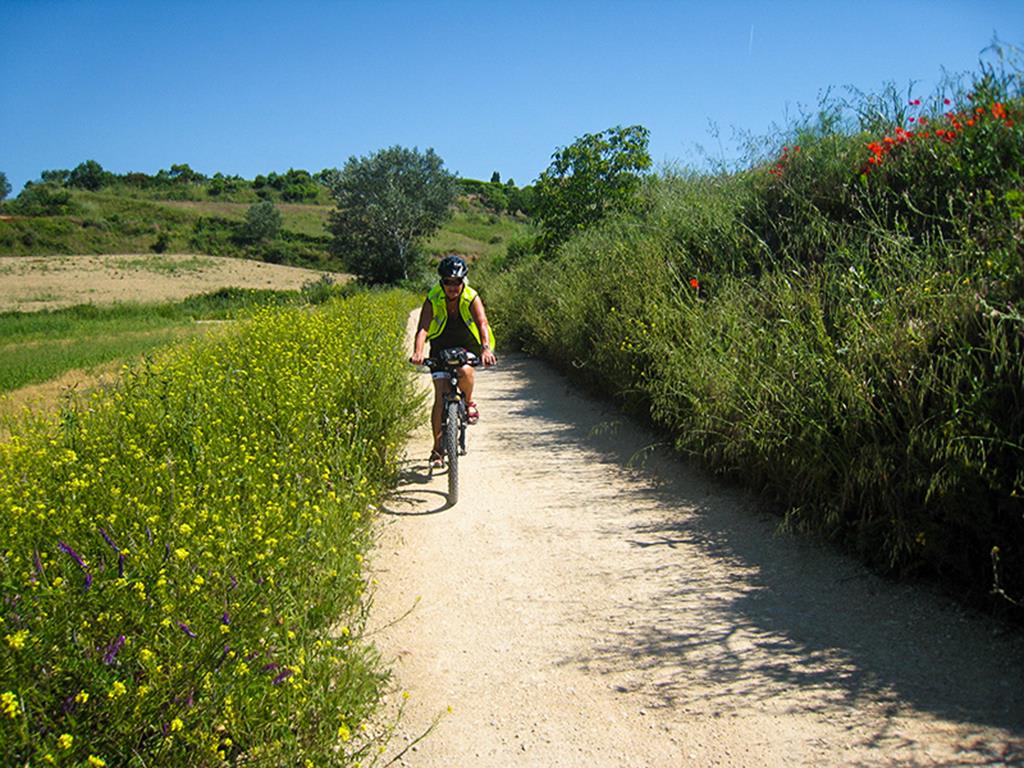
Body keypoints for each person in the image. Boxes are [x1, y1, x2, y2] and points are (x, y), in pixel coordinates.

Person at [410, 255, 497, 467]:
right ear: (441, 282)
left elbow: (482, 322)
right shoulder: (433, 297)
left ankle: (468, 402)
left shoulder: (471, 297)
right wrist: (418, 352)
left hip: (468, 343)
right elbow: (423, 328)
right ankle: (437, 450)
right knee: (440, 397)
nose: (452, 287)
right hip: (441, 344)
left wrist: (486, 349)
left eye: (457, 282)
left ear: (463, 281)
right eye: (448, 282)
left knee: (466, 372)